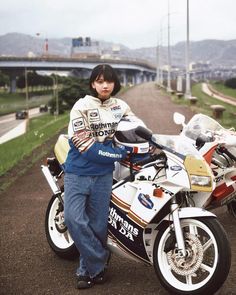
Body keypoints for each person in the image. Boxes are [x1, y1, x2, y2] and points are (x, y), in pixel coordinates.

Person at [64, 64, 137, 289]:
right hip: (78, 171)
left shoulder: (121, 106)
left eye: (109, 81)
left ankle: (86, 271)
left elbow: (135, 130)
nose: (105, 85)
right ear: (93, 83)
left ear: (115, 83)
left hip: (104, 175)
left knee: (97, 225)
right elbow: (86, 146)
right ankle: (99, 260)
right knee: (73, 220)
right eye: (100, 80)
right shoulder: (81, 106)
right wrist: (116, 153)